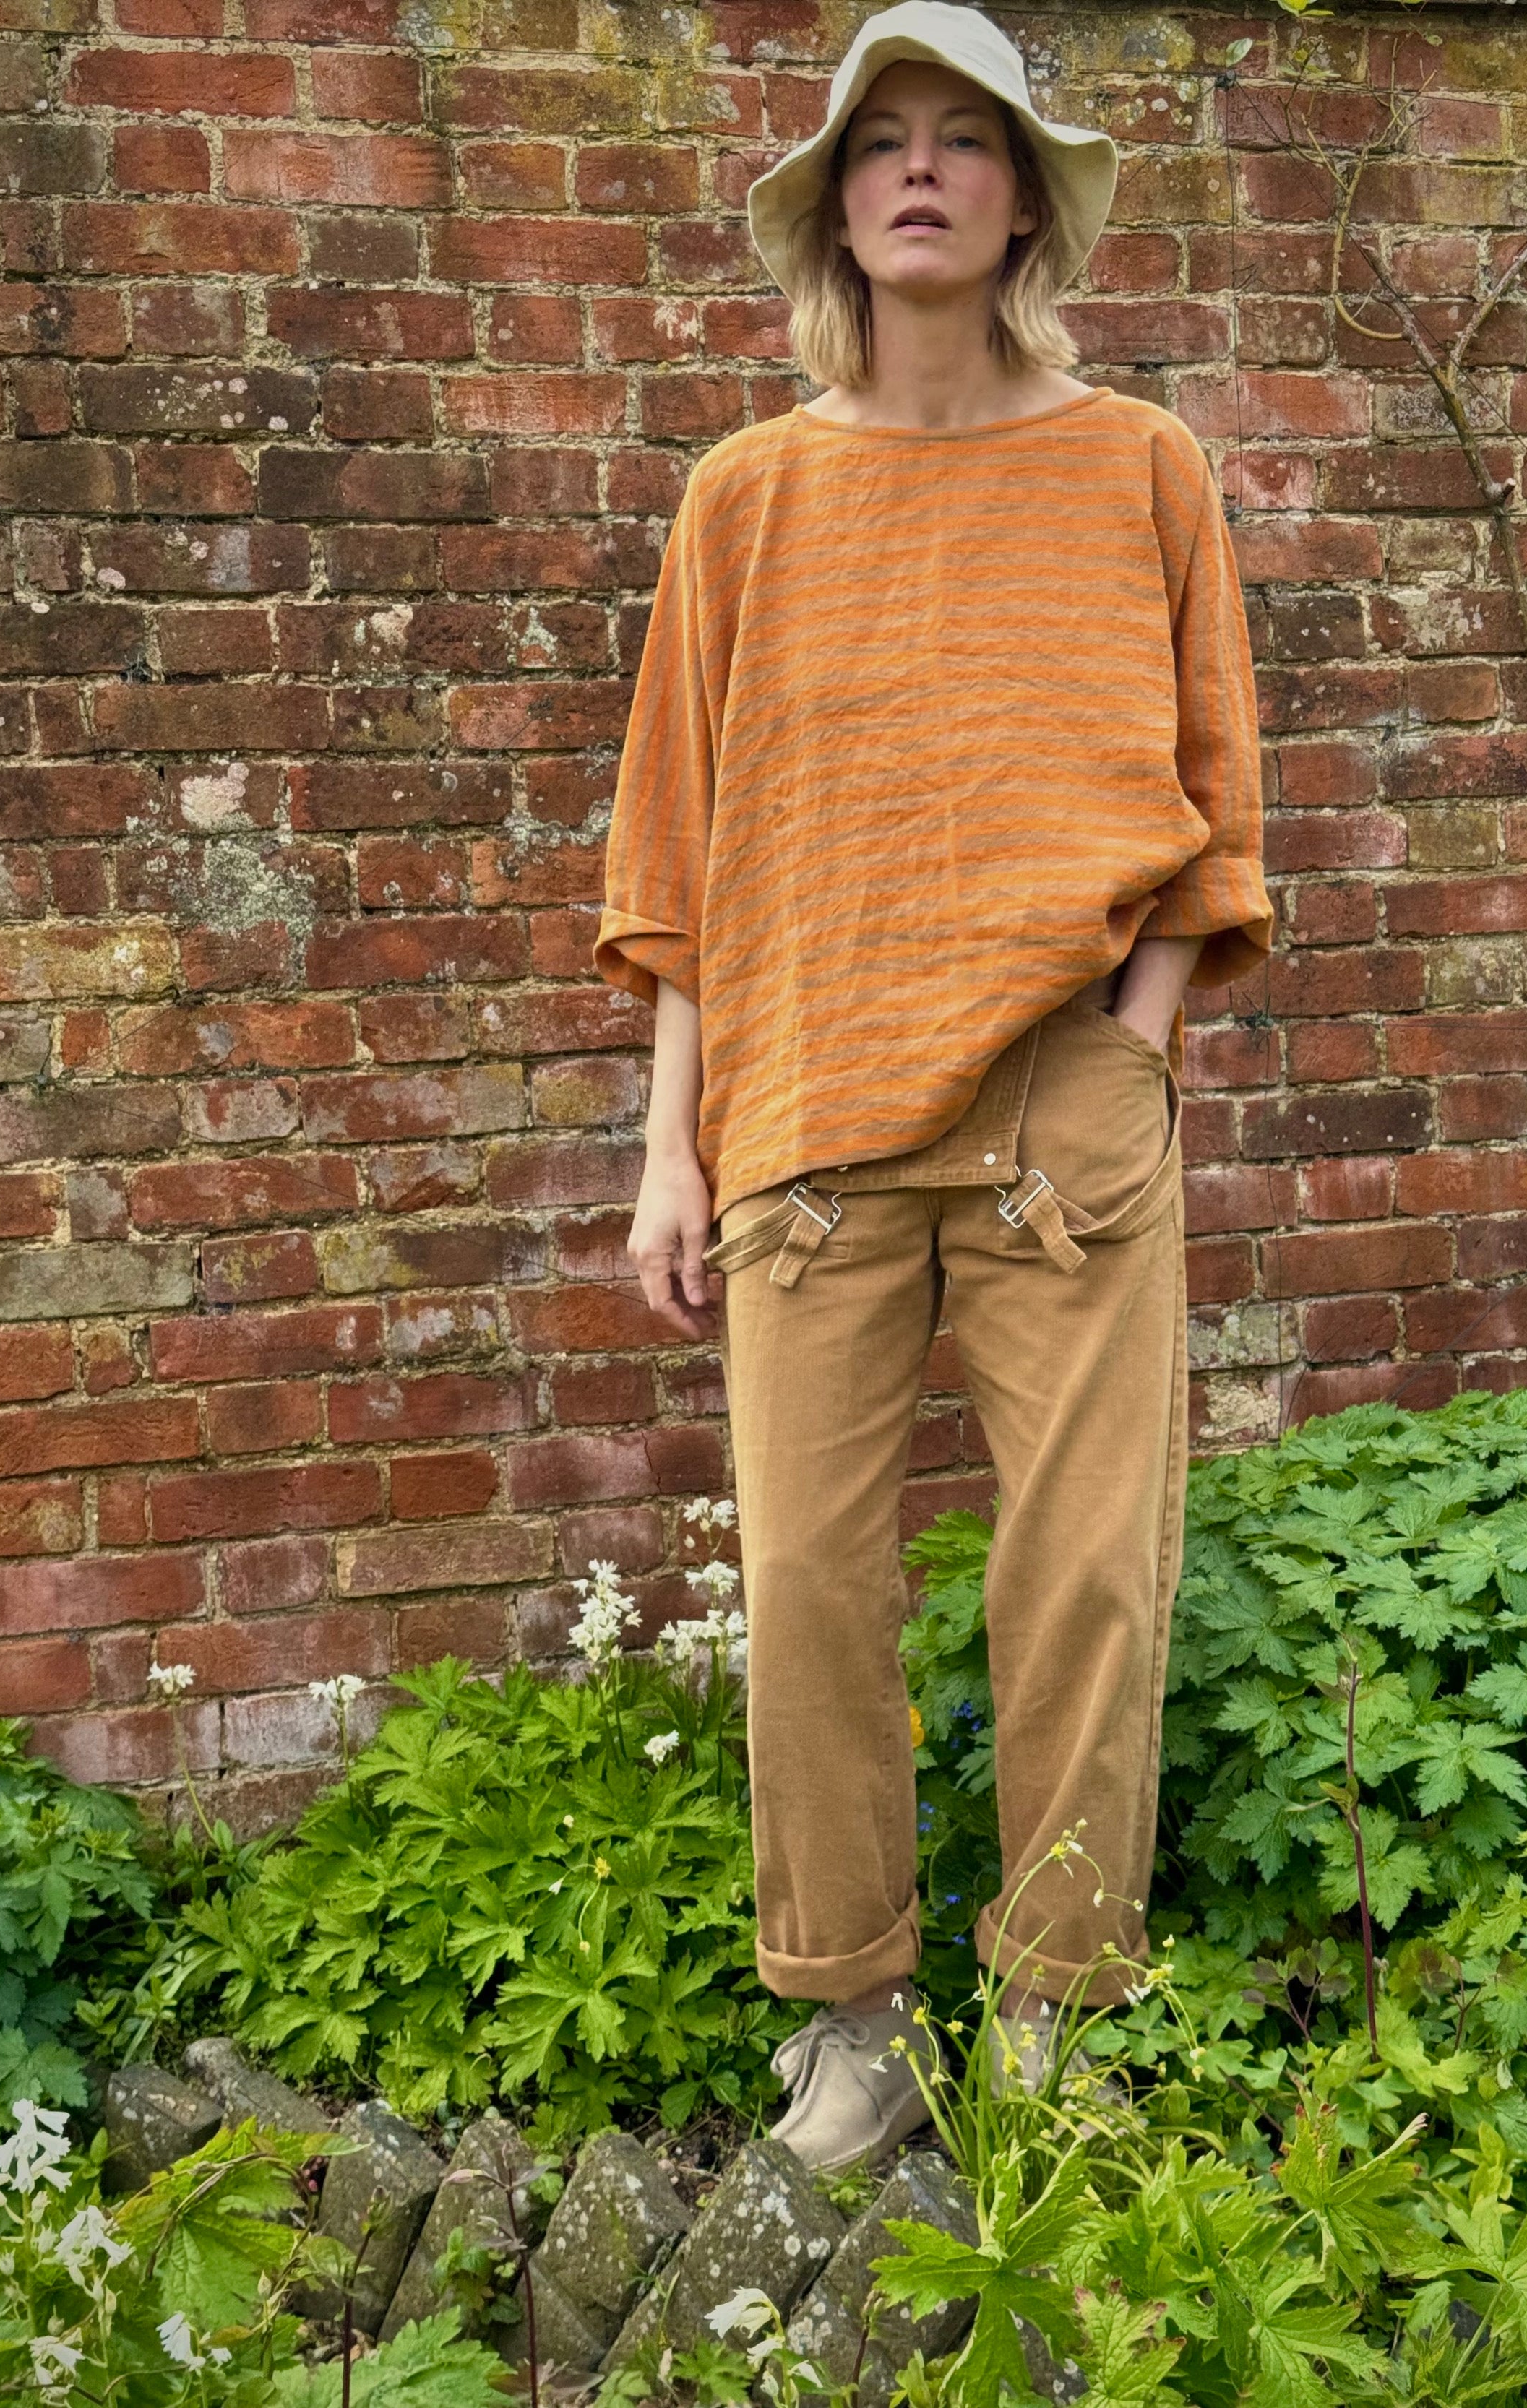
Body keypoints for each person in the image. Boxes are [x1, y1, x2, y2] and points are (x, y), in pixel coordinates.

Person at [594, 0, 1272, 2172]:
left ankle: (1061, 2003)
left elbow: (1212, 800)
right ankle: (856, 2017)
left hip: (1067, 1104)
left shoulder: (1140, 464)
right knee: (806, 1582)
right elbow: (679, 850)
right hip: (798, 1110)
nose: (916, 170)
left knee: (1080, 1574)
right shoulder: (746, 495)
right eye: (876, 140)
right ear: (832, 203)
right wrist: (663, 1149)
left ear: (1016, 202)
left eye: (959, 140)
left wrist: (1135, 1063)